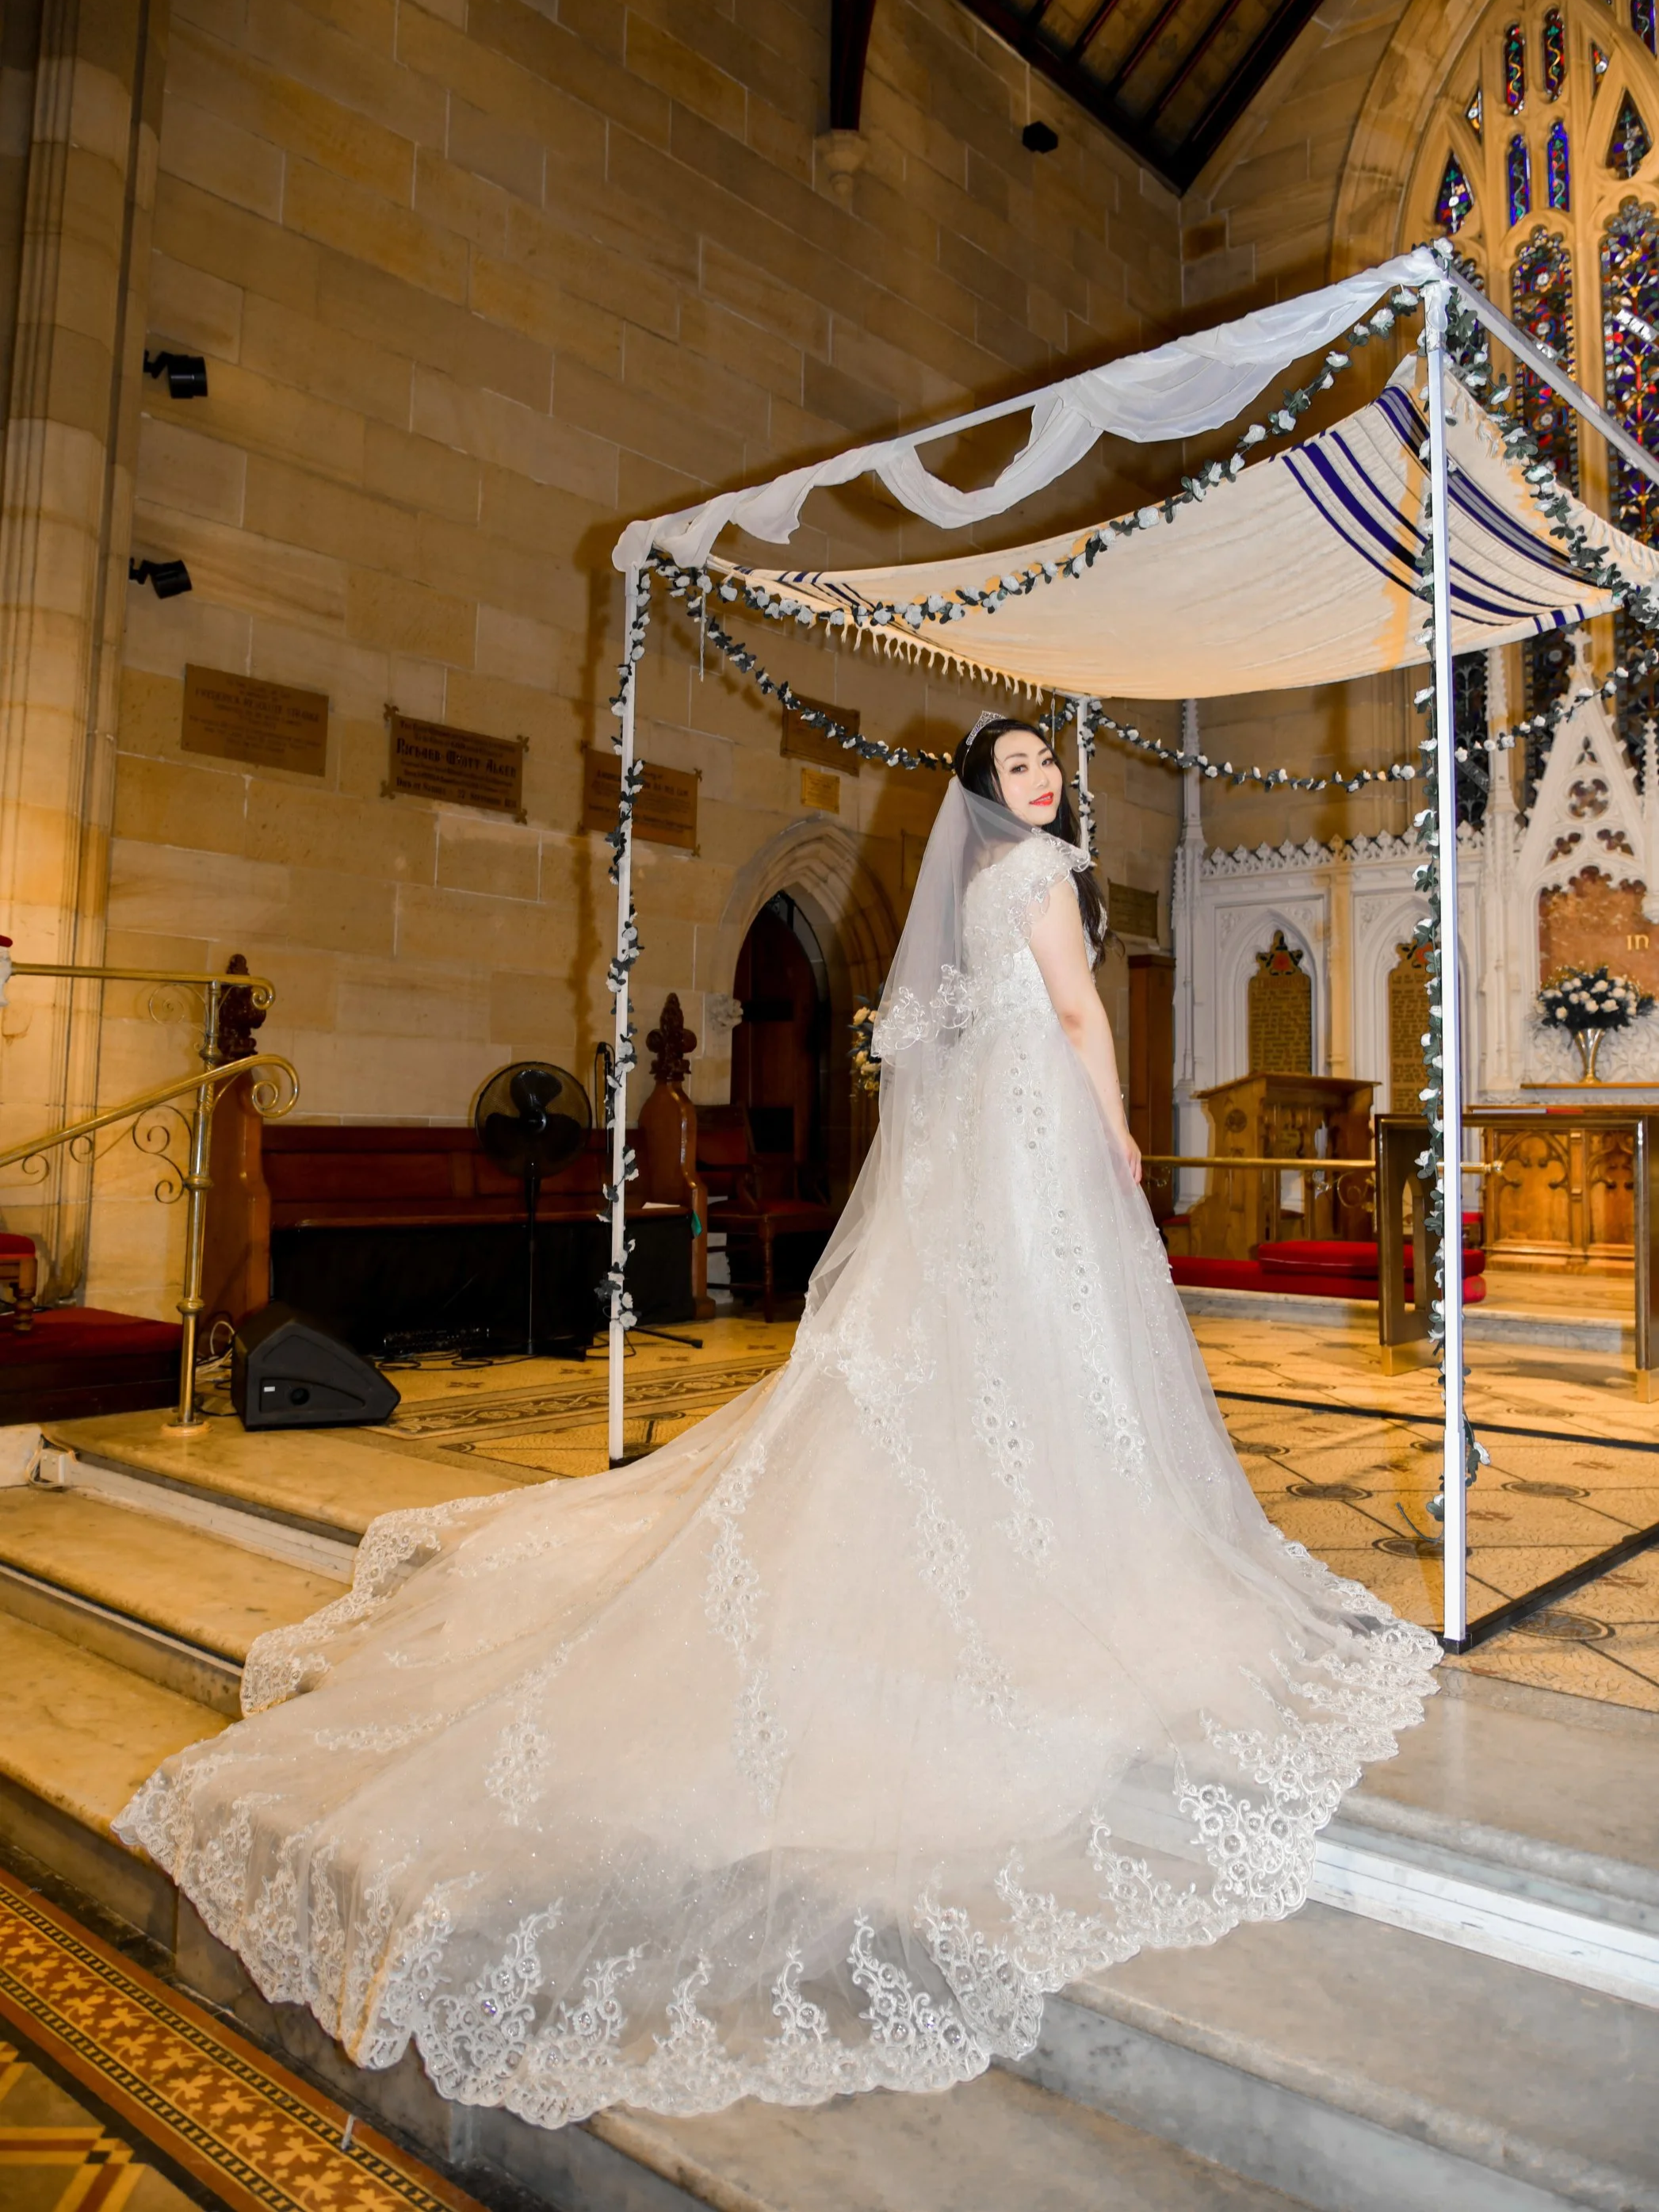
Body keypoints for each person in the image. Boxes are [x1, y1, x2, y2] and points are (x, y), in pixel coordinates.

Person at [117, 712, 1437, 2134]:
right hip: (1039, 1149)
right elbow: (1073, 1016)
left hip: (988, 1156)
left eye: (1048, 763)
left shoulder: (986, 885)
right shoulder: (1043, 882)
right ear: (989, 799)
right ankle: (1052, 1548)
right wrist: (1116, 1130)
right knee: (1056, 1365)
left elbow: (926, 1042)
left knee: (989, 1369)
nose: (1042, 782)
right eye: (1018, 771)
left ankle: (996, 1526)